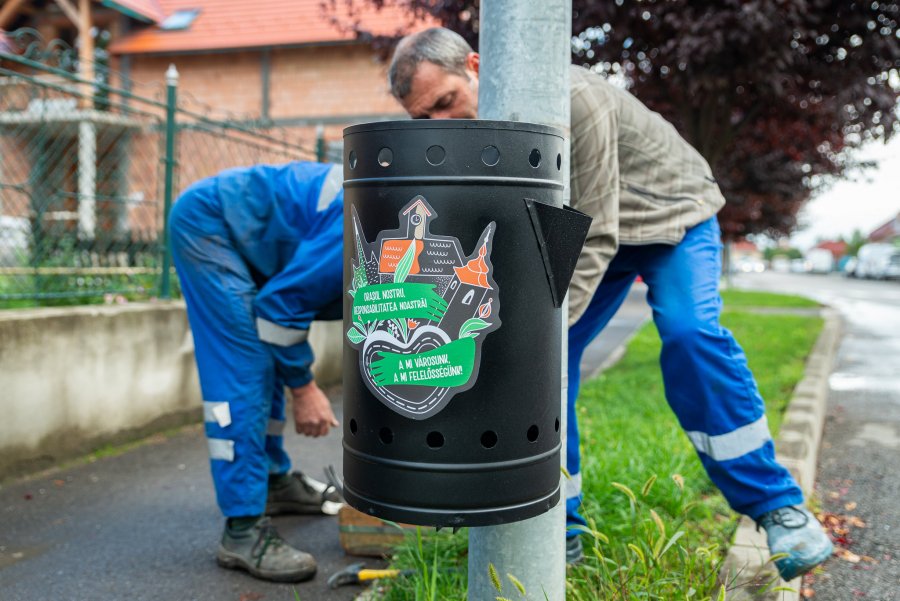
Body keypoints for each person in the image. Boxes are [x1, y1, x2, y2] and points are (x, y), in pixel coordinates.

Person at [387, 27, 833, 580]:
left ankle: (777, 509)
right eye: (423, 119)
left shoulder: (575, 101)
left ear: (476, 65)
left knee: (690, 333)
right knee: (543, 364)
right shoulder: (478, 133)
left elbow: (592, 235)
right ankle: (558, 519)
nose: (441, 127)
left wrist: (537, 328)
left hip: (673, 216)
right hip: (601, 229)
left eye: (447, 103)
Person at [169, 161, 345, 582]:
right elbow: (282, 307)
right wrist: (304, 389)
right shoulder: (362, 226)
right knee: (244, 370)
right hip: (210, 226)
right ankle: (242, 531)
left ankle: (272, 482)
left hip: (253, 237)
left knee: (265, 359)